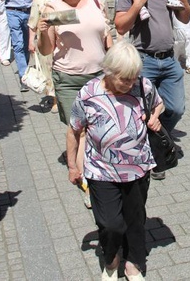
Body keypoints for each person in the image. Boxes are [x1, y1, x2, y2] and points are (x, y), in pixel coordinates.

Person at [67, 41, 162, 281]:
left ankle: (133, 263)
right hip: (101, 171)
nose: (129, 84)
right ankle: (111, 260)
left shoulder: (143, 85)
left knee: (135, 220)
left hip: (138, 168)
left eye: (133, 78)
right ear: (108, 71)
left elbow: (159, 104)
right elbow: (74, 130)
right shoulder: (89, 93)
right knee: (111, 224)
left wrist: (154, 117)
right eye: (123, 79)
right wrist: (72, 166)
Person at [38, 0, 112, 207]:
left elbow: (105, 34)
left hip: (99, 77)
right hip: (69, 79)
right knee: (80, 132)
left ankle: (101, 171)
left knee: (96, 130)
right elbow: (46, 49)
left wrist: (114, 63)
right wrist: (42, 29)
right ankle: (88, 184)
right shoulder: (53, 7)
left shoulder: (93, 1)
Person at [115, 0, 190, 180]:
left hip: (168, 60)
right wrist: (138, 5)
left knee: (176, 108)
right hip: (144, 60)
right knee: (145, 113)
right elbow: (120, 26)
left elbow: (185, 17)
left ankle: (158, 140)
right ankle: (155, 156)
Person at [0, 0, 38, 92]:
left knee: (28, 44)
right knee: (18, 44)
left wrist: (35, 8)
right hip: (12, 11)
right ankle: (23, 77)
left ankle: (25, 71)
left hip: (28, 11)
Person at [28, 0, 59, 113]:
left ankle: (59, 97)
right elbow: (33, 21)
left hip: (61, 40)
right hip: (44, 40)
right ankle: (54, 99)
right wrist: (31, 41)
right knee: (48, 69)